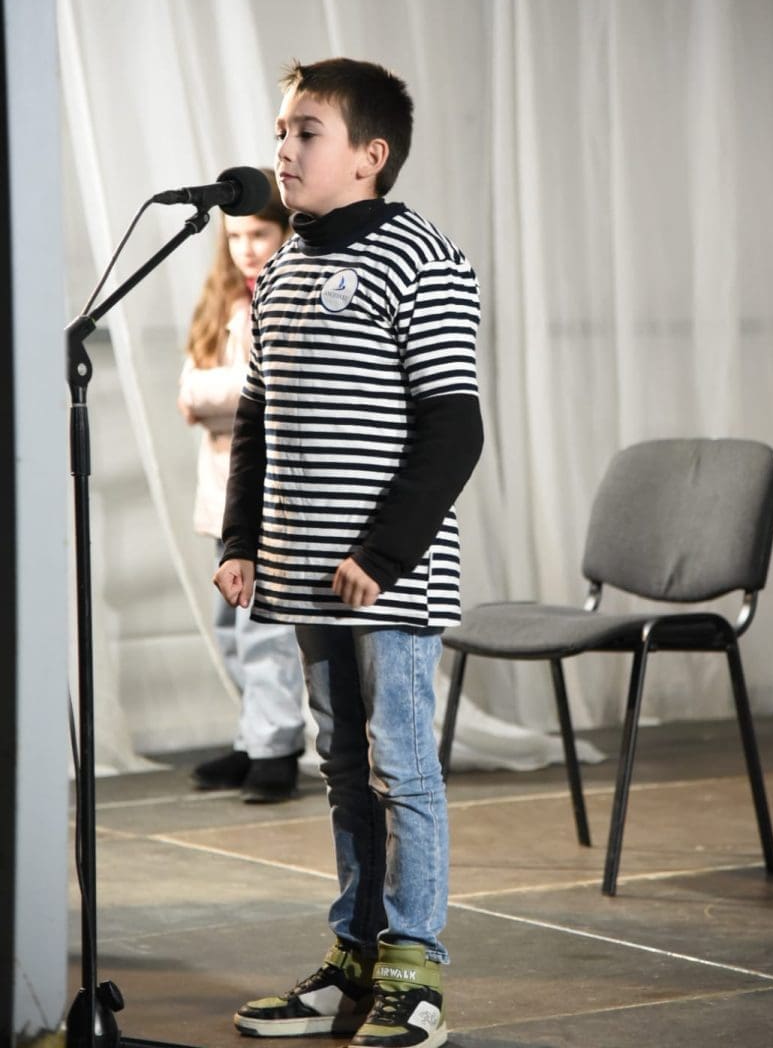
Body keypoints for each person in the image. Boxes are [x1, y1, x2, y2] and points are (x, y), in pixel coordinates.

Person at [214, 59, 483, 1047]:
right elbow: (256, 418)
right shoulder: (283, 267)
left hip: (388, 581)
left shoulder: (421, 258)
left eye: (306, 132)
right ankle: (354, 954)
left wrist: (385, 551)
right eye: (279, 132)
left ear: (369, 155)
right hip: (303, 575)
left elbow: (453, 427)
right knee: (339, 765)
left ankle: (415, 968)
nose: (282, 150)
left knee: (399, 767)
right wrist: (241, 539)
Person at [178, 169, 305, 804]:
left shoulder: (289, 299)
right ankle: (253, 737)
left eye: (259, 234)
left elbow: (273, 388)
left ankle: (277, 748)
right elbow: (190, 390)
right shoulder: (222, 304)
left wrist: (213, 397)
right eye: (235, 237)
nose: (246, 248)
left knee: (265, 629)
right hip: (220, 496)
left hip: (267, 496)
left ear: (285, 232)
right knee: (229, 626)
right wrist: (217, 396)